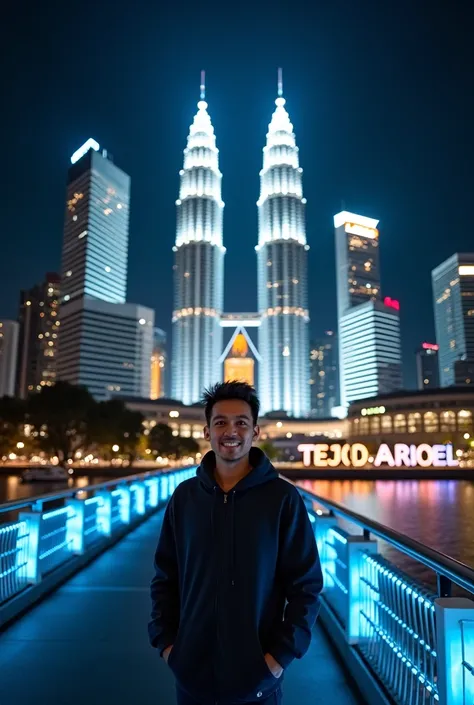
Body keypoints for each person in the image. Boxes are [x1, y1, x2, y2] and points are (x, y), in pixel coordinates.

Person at [148, 381, 323, 705]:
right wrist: (167, 645)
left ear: (255, 431)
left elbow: (306, 585)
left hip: (258, 680)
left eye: (241, 422)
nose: (231, 431)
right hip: (191, 678)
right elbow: (165, 577)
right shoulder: (185, 497)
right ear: (207, 432)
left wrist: (278, 657)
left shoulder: (282, 498)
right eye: (221, 422)